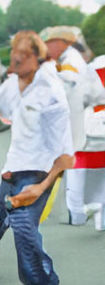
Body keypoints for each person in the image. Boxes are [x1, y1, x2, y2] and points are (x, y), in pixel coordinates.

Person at [0, 31, 74, 285]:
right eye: (15, 51)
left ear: (38, 58)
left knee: (25, 232)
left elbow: (65, 156)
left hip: (37, 175)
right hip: (9, 175)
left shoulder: (51, 92)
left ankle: (45, 284)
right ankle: (12, 213)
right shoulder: (9, 87)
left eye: (24, 54)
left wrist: (41, 187)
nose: (16, 58)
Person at [40, 25, 100, 224]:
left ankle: (76, 212)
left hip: (75, 121)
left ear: (60, 42)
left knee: (73, 164)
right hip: (77, 120)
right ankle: (75, 211)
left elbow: (64, 92)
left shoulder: (70, 62)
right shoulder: (67, 60)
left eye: (48, 44)